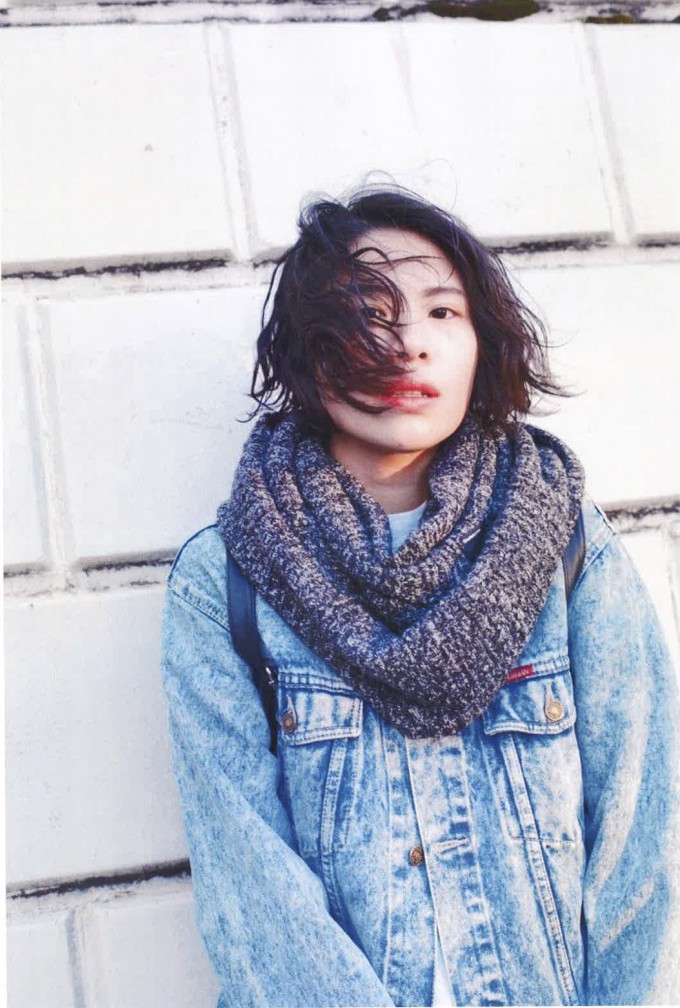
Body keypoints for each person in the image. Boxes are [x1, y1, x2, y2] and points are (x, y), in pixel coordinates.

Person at [161, 188, 678, 1007]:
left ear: (482, 342)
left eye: (443, 312)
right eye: (370, 314)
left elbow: (643, 841)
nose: (410, 345)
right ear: (308, 346)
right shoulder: (225, 577)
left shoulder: (564, 542)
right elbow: (252, 893)